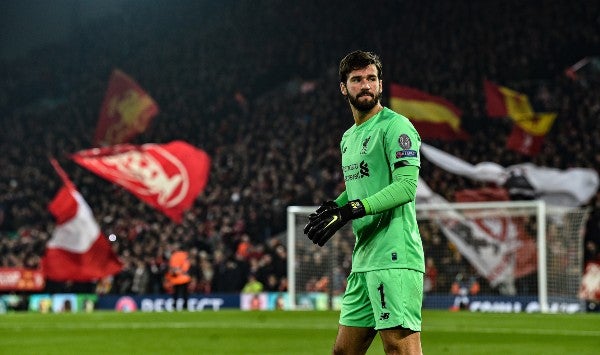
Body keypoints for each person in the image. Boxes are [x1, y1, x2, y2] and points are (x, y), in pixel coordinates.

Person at [304, 50, 425, 355]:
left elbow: (406, 187)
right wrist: (337, 204)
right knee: (344, 352)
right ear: (343, 88)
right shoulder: (349, 137)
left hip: (395, 256)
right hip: (365, 259)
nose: (366, 85)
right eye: (357, 80)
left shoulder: (396, 126)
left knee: (399, 348)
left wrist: (351, 210)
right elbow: (360, 187)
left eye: (372, 78)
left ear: (381, 85)